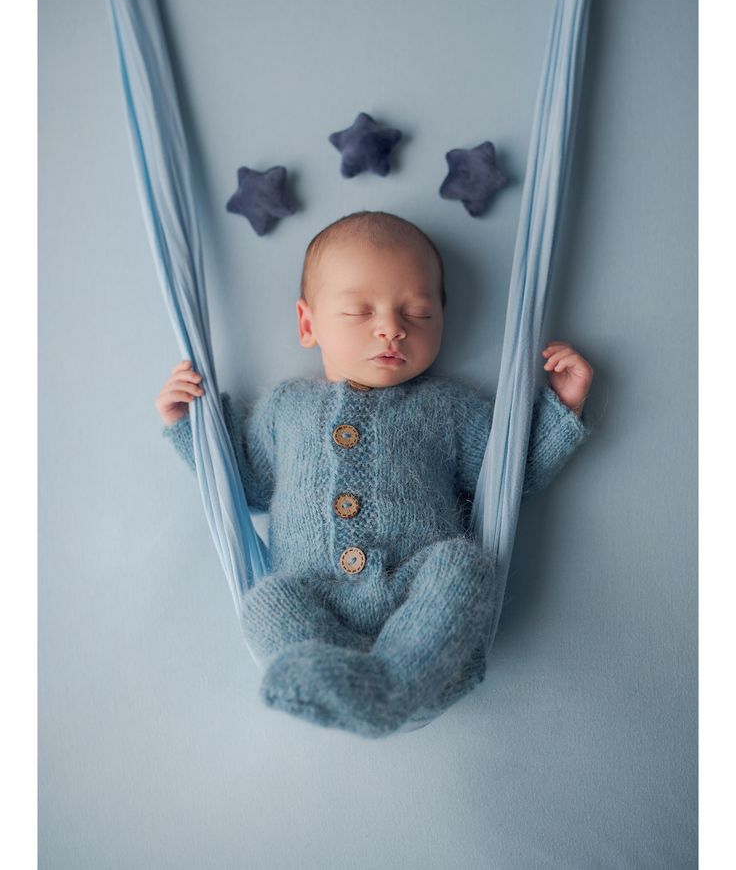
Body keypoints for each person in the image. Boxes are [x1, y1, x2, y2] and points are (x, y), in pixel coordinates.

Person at [155, 211, 594, 737]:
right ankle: (343, 682)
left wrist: (562, 408)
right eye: (360, 311)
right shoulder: (285, 408)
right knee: (266, 601)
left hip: (416, 593)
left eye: (417, 311)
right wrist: (191, 429)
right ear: (308, 324)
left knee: (464, 566)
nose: (392, 326)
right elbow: (245, 488)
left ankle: (399, 681)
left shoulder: (449, 408)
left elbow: (507, 480)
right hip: (315, 597)